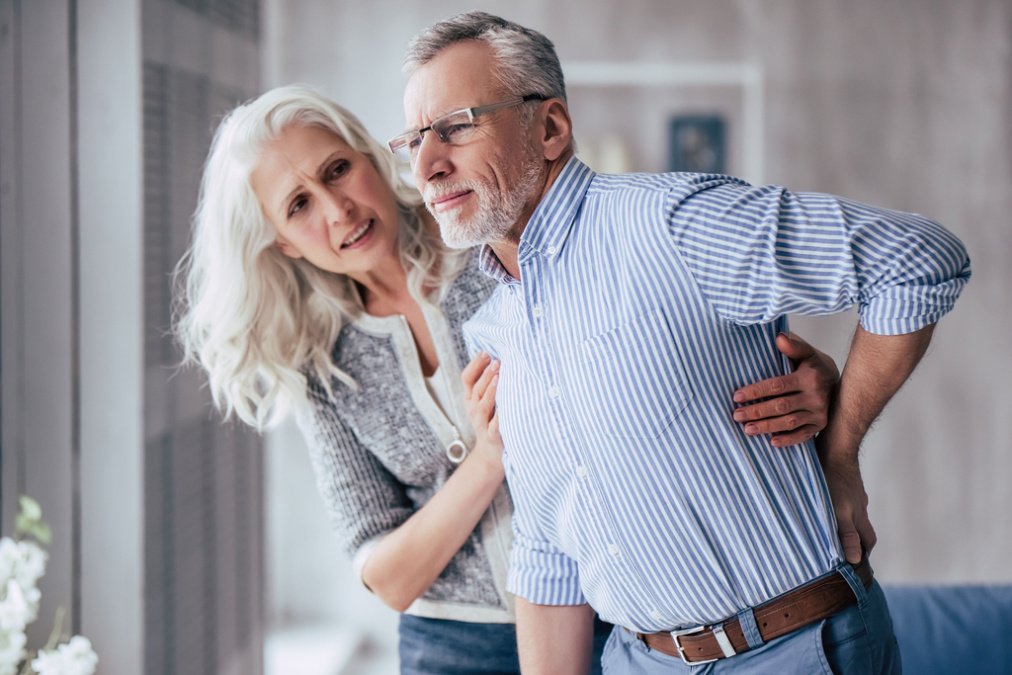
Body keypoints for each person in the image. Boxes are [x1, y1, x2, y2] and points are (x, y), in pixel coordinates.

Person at [173, 84, 841, 675]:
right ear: (283, 241)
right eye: (298, 204)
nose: (338, 210)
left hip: (620, 604)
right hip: (452, 644)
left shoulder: (491, 240)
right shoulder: (319, 362)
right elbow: (389, 576)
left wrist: (816, 382)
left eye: (338, 170)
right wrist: (491, 457)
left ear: (371, 155)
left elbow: (675, 344)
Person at [395, 11, 972, 675]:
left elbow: (917, 260)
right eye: (411, 141)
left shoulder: (671, 224)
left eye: (457, 126)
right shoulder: (494, 327)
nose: (427, 165)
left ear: (549, 127)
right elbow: (552, 546)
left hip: (794, 650)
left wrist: (840, 453)